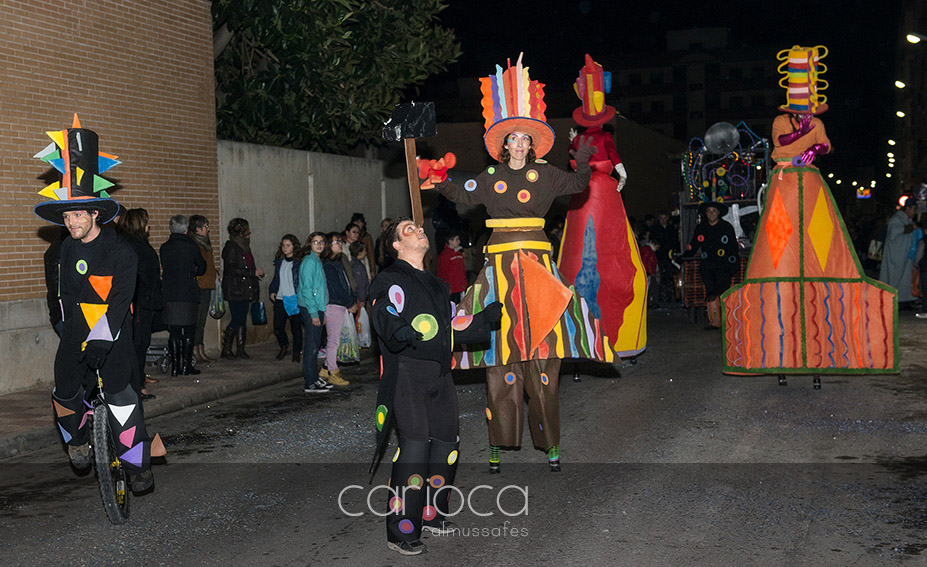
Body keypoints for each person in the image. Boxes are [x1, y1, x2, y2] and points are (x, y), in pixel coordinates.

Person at [421, 53, 614, 473]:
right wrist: (434, 177)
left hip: (539, 271)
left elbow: (580, 183)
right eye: (514, 139)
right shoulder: (490, 179)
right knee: (501, 356)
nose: (520, 144)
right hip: (500, 272)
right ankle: (498, 441)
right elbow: (459, 190)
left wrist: (581, 159)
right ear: (504, 144)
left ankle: (551, 444)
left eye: (526, 139)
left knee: (544, 360)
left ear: (532, 144)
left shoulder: (547, 176)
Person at [722, 45, 898, 375]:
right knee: (779, 250)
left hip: (812, 187)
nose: (806, 113)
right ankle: (777, 345)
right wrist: (804, 135)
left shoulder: (816, 123)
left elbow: (827, 145)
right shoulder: (780, 121)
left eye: (809, 109)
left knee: (822, 248)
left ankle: (820, 348)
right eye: (802, 109)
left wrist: (817, 145)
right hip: (785, 183)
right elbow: (782, 144)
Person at [34, 115, 163, 493]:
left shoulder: (122, 253)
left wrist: (103, 338)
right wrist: (72, 332)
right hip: (78, 329)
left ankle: (139, 467)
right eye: (67, 215)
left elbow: (122, 300)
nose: (71, 221)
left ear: (96, 215)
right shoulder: (64, 250)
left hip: (114, 329)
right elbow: (65, 298)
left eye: (78, 214)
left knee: (122, 398)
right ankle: (78, 441)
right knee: (63, 392)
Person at [369, 218, 501, 556]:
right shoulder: (389, 279)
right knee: (413, 450)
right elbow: (384, 308)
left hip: (441, 375)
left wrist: (484, 319)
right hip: (408, 375)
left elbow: (454, 326)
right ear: (396, 245)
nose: (418, 230)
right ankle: (402, 531)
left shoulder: (438, 285)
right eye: (408, 230)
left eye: (419, 226)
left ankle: (431, 512)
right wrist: (396, 328)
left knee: (447, 445)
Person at [558, 54, 648, 358]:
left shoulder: (583, 140)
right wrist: (620, 174)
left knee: (586, 256)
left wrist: (574, 147)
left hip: (587, 195)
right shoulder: (598, 139)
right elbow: (614, 159)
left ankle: (585, 338)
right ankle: (602, 337)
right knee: (602, 254)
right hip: (595, 195)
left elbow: (584, 161)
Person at [121, 208, 162, 399]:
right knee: (138, 344)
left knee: (140, 343)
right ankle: (136, 387)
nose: (149, 225)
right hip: (139, 303)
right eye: (146, 221)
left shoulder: (136, 244)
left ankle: (138, 383)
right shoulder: (133, 246)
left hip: (144, 301)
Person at [160, 214, 207, 375]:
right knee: (189, 331)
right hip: (188, 293)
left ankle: (175, 368)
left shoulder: (164, 247)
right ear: (186, 229)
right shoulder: (191, 246)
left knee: (173, 332)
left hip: (170, 293)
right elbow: (202, 267)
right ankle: (186, 366)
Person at [684, 202, 738, 329]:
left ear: (718, 213)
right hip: (707, 266)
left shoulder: (726, 227)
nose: (711, 213)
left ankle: (727, 322)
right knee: (711, 293)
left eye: (714, 210)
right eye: (709, 211)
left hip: (724, 266)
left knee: (725, 293)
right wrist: (683, 256)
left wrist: (733, 266)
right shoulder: (701, 228)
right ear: (706, 213)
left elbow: (733, 248)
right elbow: (694, 245)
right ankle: (715, 322)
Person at [221, 218, 264, 359]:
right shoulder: (231, 247)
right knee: (237, 318)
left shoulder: (244, 246)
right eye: (247, 229)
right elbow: (231, 268)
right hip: (235, 289)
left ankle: (240, 349)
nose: (249, 232)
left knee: (242, 319)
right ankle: (226, 349)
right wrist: (252, 273)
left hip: (245, 288)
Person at [320, 232, 357, 386]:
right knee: (334, 341)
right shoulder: (329, 266)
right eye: (336, 242)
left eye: (340, 241)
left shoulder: (338, 262)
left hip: (340, 304)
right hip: (334, 305)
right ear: (329, 246)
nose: (339, 244)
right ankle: (333, 372)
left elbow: (346, 284)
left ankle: (325, 369)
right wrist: (350, 302)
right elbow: (336, 288)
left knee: (336, 339)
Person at [299, 232, 330, 392]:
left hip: (318, 307)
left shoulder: (316, 261)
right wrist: (314, 313)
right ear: (309, 244)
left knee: (316, 344)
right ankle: (310, 381)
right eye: (315, 242)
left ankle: (314, 377)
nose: (318, 244)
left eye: (321, 242)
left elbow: (321, 289)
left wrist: (322, 311)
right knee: (311, 345)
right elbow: (306, 289)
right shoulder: (309, 261)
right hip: (310, 307)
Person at [269, 234, 303, 362]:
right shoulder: (280, 261)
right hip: (281, 298)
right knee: (278, 326)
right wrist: (272, 290)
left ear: (294, 246)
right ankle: (284, 346)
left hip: (294, 298)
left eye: (288, 245)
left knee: (296, 328)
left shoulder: (299, 263)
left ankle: (296, 351)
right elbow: (276, 278)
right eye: (283, 245)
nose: (285, 248)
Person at [189, 215, 217, 364]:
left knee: (202, 321)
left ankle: (201, 349)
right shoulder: (195, 245)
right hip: (199, 286)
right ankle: (195, 350)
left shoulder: (205, 243)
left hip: (207, 285)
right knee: (197, 320)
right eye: (205, 226)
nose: (208, 229)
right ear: (198, 229)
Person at [880, 197, 917, 307]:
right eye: (914, 209)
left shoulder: (907, 220)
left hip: (904, 256)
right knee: (895, 279)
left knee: (905, 279)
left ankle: (904, 300)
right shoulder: (897, 219)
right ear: (908, 208)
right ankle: (895, 301)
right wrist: (911, 228)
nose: (915, 212)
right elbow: (894, 232)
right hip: (895, 257)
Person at [436, 229, 466, 304]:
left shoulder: (458, 253)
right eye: (456, 240)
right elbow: (441, 273)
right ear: (450, 241)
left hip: (461, 287)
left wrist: (464, 283)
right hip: (452, 290)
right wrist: (446, 287)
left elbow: (462, 270)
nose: (459, 241)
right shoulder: (444, 256)